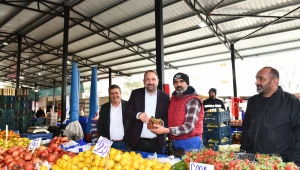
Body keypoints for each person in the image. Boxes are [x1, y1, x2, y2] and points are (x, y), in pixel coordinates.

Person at [240, 67, 300, 166]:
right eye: (256, 79)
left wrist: (294, 161)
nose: (256, 82)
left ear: (274, 82)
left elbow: (298, 132)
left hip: (279, 162)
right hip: (253, 160)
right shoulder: (252, 101)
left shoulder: (291, 101)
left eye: (261, 79)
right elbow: (246, 127)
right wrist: (244, 150)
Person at [151, 72, 204, 152]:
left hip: (190, 141)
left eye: (181, 81)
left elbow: (189, 127)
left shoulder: (193, 100)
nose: (178, 84)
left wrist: (166, 130)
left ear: (187, 83)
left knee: (190, 164)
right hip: (175, 141)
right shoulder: (173, 99)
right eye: (175, 82)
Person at [124, 70, 170, 154]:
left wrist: (161, 122)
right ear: (143, 81)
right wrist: (138, 115)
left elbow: (168, 116)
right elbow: (127, 112)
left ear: (158, 81)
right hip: (137, 141)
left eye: (153, 79)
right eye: (147, 79)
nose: (150, 82)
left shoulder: (165, 97)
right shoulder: (135, 93)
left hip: (157, 142)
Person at [97, 84, 128, 151]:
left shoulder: (129, 106)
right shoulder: (104, 107)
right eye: (112, 93)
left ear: (120, 93)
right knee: (103, 161)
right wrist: (104, 136)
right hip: (108, 143)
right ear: (109, 95)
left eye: (116, 93)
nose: (114, 95)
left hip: (126, 144)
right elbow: (100, 124)